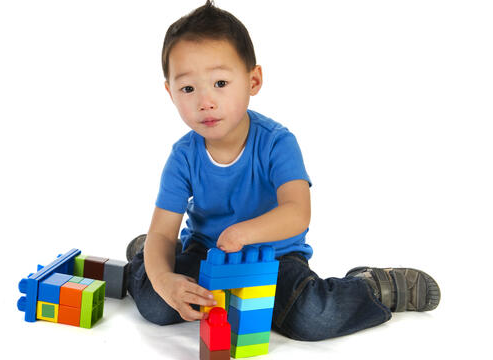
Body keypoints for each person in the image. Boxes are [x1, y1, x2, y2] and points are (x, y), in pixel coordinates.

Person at [125, 0, 440, 341]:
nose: (205, 101)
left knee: (313, 317)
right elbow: (163, 233)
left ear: (253, 80)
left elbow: (297, 212)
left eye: (219, 83)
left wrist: (245, 233)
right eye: (188, 88)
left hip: (277, 258)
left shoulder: (277, 142)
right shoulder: (183, 156)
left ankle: (373, 287)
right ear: (170, 92)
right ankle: (148, 262)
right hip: (207, 255)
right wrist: (164, 279)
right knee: (157, 303)